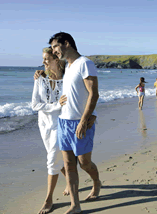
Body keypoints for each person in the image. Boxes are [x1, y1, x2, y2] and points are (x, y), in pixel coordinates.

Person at [49, 32, 101, 214]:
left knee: (84, 163)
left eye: (56, 46)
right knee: (69, 165)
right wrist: (41, 73)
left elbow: (94, 94)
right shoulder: (68, 66)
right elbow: (52, 71)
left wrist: (84, 120)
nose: (54, 51)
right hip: (63, 122)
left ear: (67, 43)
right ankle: (75, 204)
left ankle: (96, 182)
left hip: (81, 123)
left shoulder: (85, 63)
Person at [32, 47, 68, 214]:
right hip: (44, 124)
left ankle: (49, 199)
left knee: (52, 158)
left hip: (61, 123)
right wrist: (55, 105)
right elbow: (35, 105)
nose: (43, 62)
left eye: (47, 59)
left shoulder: (67, 78)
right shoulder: (40, 78)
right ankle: (70, 180)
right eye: (43, 59)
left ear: (56, 59)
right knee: (54, 157)